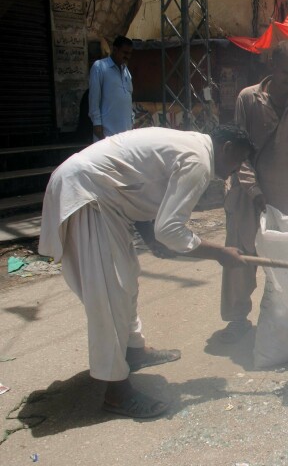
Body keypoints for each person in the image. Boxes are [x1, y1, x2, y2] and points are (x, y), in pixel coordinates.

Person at [38, 126, 251, 418]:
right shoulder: (200, 162)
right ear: (226, 148)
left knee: (126, 278)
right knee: (110, 291)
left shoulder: (192, 146)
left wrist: (150, 237)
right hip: (88, 194)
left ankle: (134, 350)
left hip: (102, 194)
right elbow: (171, 230)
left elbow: (142, 186)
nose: (234, 172)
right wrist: (219, 253)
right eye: (237, 162)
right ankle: (116, 392)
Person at [217, 40, 288, 343]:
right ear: (272, 66)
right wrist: (255, 193)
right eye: (286, 71)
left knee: (283, 261)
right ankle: (237, 319)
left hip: (286, 195)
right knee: (242, 257)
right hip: (249, 196)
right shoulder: (248, 99)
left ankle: (281, 316)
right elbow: (240, 152)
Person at [89, 35, 134, 141]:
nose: (127, 57)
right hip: (107, 136)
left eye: (130, 53)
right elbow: (93, 101)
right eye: (125, 53)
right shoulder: (99, 67)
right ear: (115, 50)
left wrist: (132, 124)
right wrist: (98, 128)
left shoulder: (126, 72)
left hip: (126, 136)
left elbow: (129, 101)